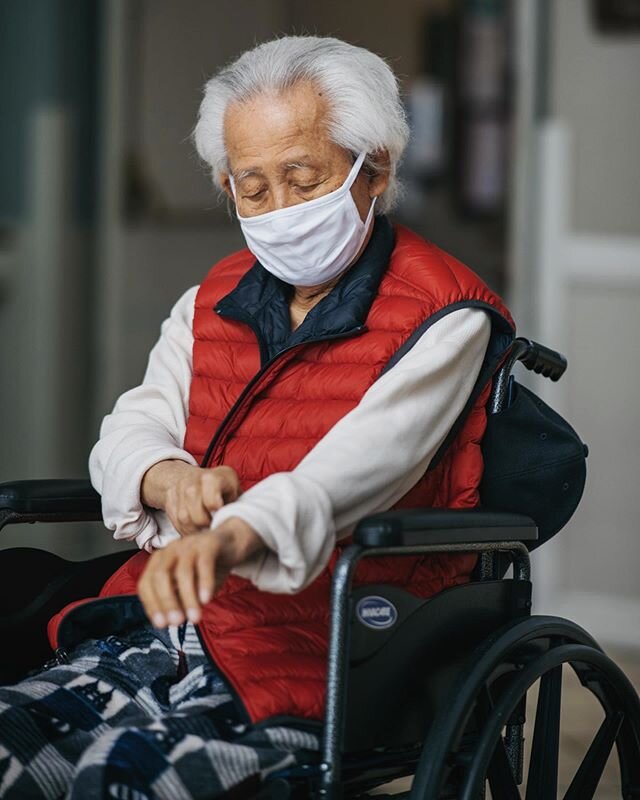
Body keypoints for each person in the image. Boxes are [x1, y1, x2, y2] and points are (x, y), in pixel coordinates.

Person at [0, 36, 514, 799]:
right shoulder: (212, 296)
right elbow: (134, 424)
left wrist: (232, 537)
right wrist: (166, 476)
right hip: (160, 625)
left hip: (324, 647)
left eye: (302, 180)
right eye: (252, 187)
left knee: (119, 776)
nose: (279, 213)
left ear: (373, 168)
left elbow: (353, 475)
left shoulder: (446, 315)